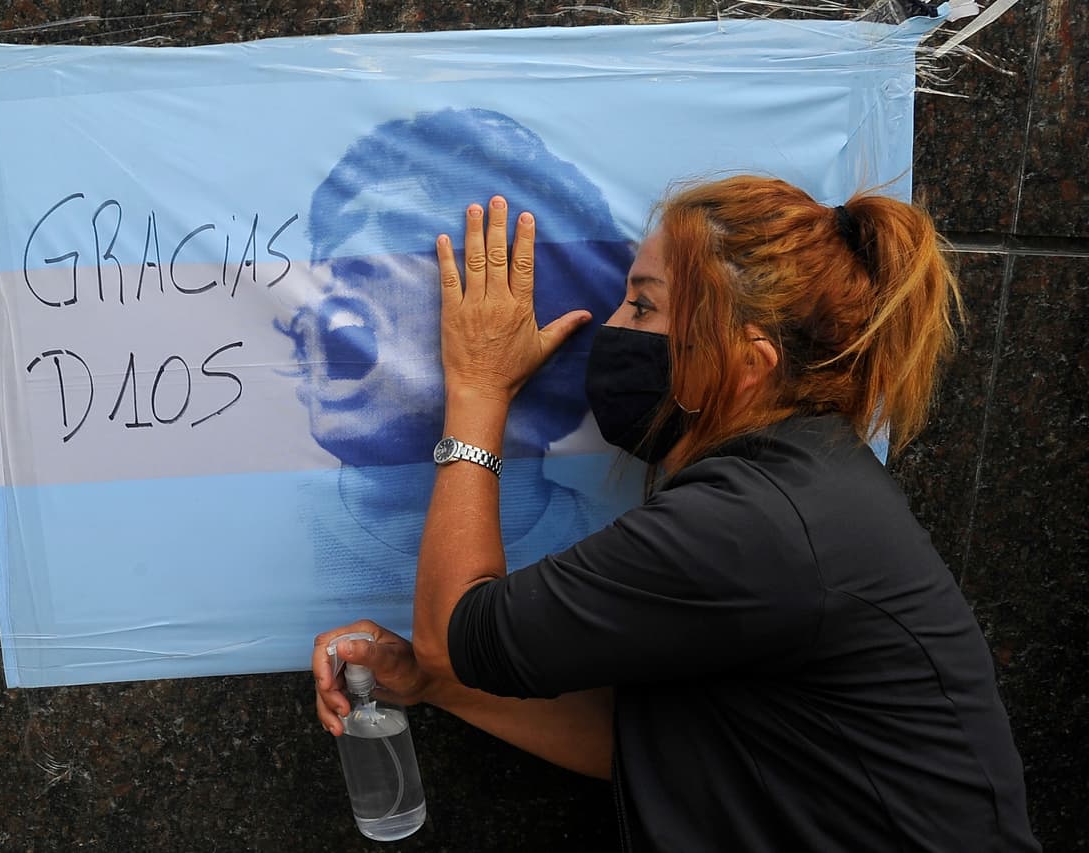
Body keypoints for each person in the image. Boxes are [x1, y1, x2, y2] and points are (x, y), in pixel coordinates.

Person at [312, 176, 1040, 851]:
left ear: (748, 364)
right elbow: (662, 741)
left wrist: (476, 388)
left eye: (644, 305)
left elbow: (453, 634)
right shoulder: (792, 478)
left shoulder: (753, 522)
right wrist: (436, 684)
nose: (613, 325)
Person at [277, 108, 633, 616]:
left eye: (403, 243)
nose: (342, 264)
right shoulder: (235, 545)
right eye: (330, 251)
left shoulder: (623, 567)